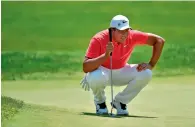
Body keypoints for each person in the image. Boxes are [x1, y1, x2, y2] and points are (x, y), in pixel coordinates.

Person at [80, 14, 165, 116]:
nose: (124, 34)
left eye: (126, 30)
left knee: (146, 73)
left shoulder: (132, 35)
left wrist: (151, 64)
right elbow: (86, 67)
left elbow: (159, 41)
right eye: (121, 31)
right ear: (112, 30)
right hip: (102, 72)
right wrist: (105, 55)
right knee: (96, 76)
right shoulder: (99, 39)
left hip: (121, 72)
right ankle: (100, 103)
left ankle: (120, 102)